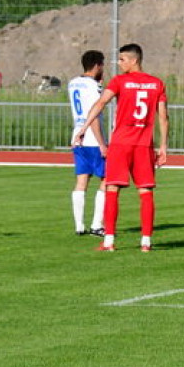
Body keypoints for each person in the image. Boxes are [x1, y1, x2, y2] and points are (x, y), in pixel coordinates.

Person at [74, 43, 169, 252]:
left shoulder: (120, 81)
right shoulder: (157, 83)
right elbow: (163, 117)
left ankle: (108, 242)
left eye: (122, 59)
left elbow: (100, 104)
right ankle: (146, 242)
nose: (119, 64)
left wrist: (83, 128)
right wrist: (163, 146)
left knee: (112, 189)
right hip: (144, 144)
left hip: (121, 143)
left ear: (134, 60)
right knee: (145, 192)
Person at [67, 50, 107, 236]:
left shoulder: (73, 83)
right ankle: (96, 224)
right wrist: (102, 143)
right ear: (97, 65)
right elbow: (95, 115)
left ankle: (79, 226)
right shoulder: (94, 86)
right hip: (92, 138)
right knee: (105, 180)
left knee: (81, 181)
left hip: (77, 136)